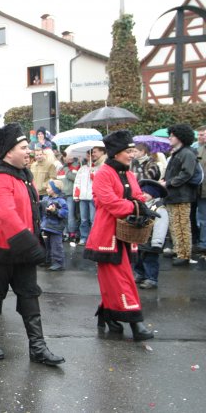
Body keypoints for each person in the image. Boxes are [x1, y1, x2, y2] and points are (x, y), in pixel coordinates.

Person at [0, 122, 64, 366]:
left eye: (28, 147)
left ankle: (38, 347)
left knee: (29, 295)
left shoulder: (25, 176)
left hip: (23, 249)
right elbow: (6, 214)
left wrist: (35, 239)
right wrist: (31, 245)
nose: (29, 151)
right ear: (8, 152)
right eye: (24, 147)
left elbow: (30, 212)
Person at [83, 130, 156, 341]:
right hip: (107, 237)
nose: (132, 155)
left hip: (126, 235)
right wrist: (137, 207)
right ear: (116, 153)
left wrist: (144, 200)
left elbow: (137, 196)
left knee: (114, 279)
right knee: (121, 278)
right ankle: (136, 323)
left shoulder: (129, 174)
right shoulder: (103, 174)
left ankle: (107, 314)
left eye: (133, 151)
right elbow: (111, 202)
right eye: (129, 151)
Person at [161, 124, 198, 266]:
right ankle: (178, 249)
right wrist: (165, 181)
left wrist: (168, 183)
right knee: (175, 225)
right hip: (173, 195)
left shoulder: (187, 153)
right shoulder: (178, 152)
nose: (170, 138)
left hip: (182, 195)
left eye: (172, 135)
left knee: (182, 226)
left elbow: (187, 173)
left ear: (180, 137)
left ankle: (184, 254)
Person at [134, 179, 169, 290]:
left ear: (153, 194)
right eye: (142, 192)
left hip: (151, 240)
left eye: (146, 193)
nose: (143, 195)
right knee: (138, 258)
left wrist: (157, 242)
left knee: (150, 260)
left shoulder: (159, 208)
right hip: (140, 239)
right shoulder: (142, 205)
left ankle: (151, 278)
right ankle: (140, 274)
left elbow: (161, 226)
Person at [74, 147, 106, 245]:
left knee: (93, 219)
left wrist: (94, 176)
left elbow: (101, 182)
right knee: (83, 219)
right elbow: (77, 182)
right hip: (83, 197)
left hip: (93, 197)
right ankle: (84, 237)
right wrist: (76, 195)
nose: (89, 157)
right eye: (87, 156)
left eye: (90, 155)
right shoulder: (82, 168)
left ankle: (94, 238)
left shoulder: (98, 168)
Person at [40, 179, 68, 271]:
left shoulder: (61, 201)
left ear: (55, 190)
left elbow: (64, 213)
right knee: (46, 245)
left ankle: (59, 263)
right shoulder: (45, 199)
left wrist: (55, 210)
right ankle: (47, 260)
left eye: (48, 188)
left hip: (56, 228)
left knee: (56, 246)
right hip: (47, 226)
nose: (46, 189)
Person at [60, 153, 80, 242]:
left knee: (70, 215)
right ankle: (65, 233)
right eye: (68, 156)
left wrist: (66, 169)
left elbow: (74, 177)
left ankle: (72, 233)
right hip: (62, 194)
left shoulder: (76, 166)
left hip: (70, 194)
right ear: (64, 157)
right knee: (63, 215)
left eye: (71, 155)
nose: (70, 157)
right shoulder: (61, 167)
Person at [195, 125, 206, 252]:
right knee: (202, 218)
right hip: (201, 190)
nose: (200, 137)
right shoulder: (199, 149)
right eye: (198, 135)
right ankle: (203, 243)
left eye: (202, 134)